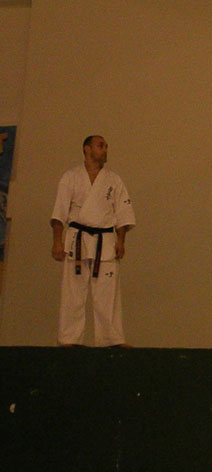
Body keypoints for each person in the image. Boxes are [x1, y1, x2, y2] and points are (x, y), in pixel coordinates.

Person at [51, 135, 136, 347]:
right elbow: (59, 212)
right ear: (87, 149)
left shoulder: (114, 180)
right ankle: (69, 339)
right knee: (73, 292)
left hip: (105, 240)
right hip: (77, 240)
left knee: (108, 294)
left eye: (106, 146)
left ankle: (111, 339)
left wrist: (121, 241)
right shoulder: (70, 177)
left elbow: (122, 214)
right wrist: (57, 242)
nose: (105, 149)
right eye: (100, 146)